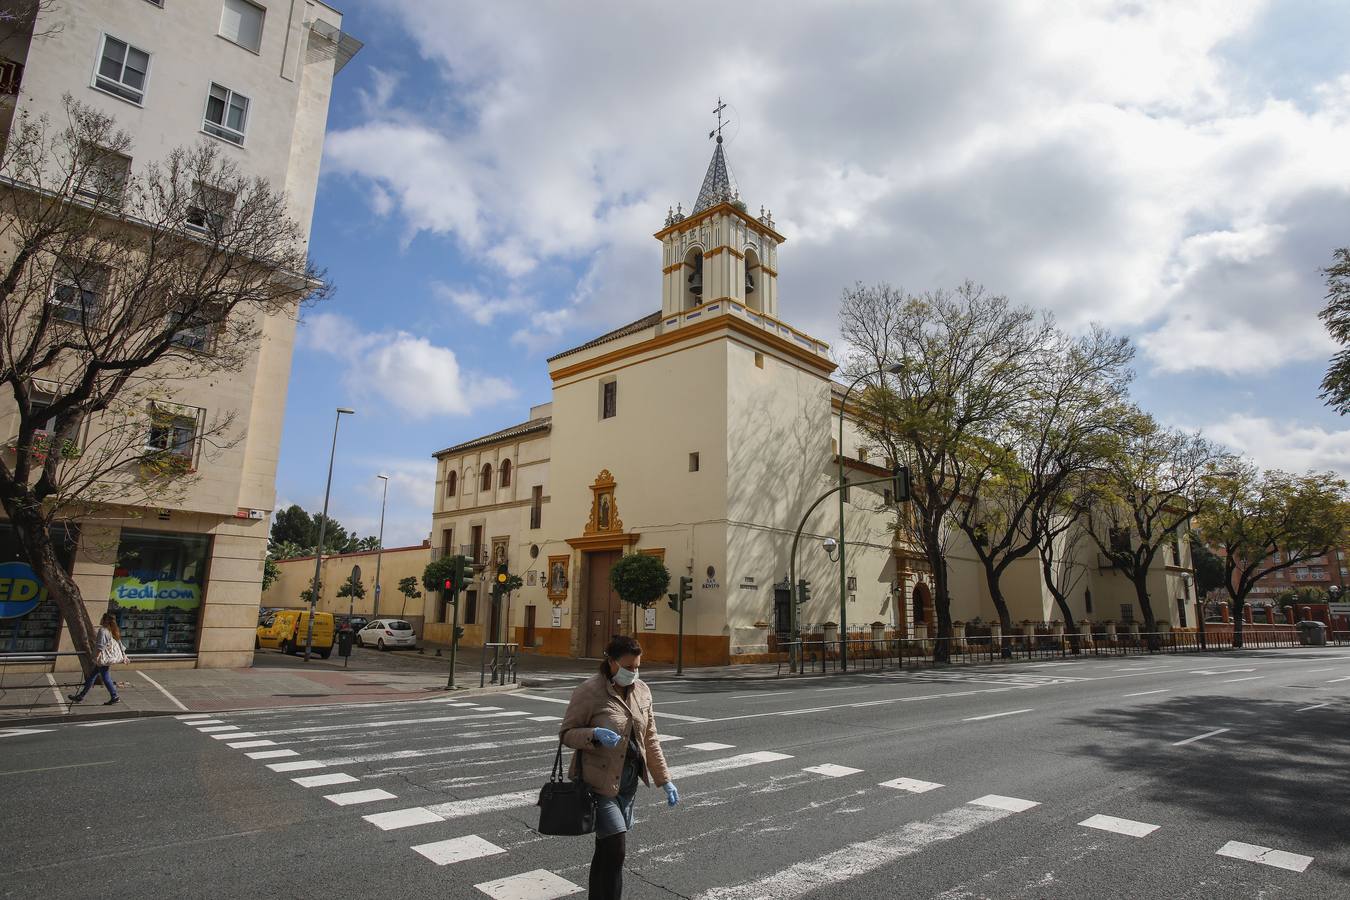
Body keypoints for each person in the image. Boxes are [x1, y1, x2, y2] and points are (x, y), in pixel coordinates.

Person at [560, 635, 679, 899]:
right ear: (612, 662)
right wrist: (594, 735)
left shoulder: (643, 691)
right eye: (629, 667)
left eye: (638, 667)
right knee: (616, 846)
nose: (634, 672)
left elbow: (650, 738)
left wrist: (664, 779)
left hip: (627, 784)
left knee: (607, 852)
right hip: (598, 783)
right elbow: (566, 733)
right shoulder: (589, 691)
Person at [69, 613, 123, 706]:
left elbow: (100, 646)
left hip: (102, 659)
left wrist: (96, 657)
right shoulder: (111, 630)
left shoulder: (103, 631)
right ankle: (81, 696)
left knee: (105, 678)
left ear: (105, 620)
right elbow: (119, 644)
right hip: (106, 659)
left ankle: (114, 696)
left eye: (102, 618)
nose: (101, 619)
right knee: (92, 677)